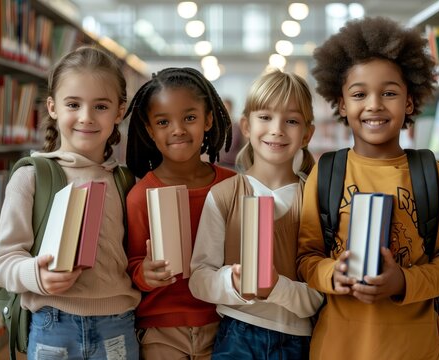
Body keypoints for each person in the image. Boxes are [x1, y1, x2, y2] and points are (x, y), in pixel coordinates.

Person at [296, 17, 439, 360]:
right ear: (342, 104)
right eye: (360, 94)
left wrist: (402, 281)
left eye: (389, 93)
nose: (374, 104)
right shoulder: (327, 173)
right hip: (337, 348)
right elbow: (305, 259)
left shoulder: (431, 175)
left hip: (416, 349)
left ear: (409, 102)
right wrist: (334, 274)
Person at [0, 46, 141, 359]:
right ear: (53, 107)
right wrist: (37, 276)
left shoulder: (126, 182)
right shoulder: (32, 176)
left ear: (120, 111)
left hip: (118, 326)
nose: (86, 117)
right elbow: (2, 264)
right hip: (53, 326)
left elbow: (135, 259)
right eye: (73, 104)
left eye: (100, 106)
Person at [189, 69, 324, 360]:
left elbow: (318, 295)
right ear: (246, 126)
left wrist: (277, 288)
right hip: (237, 333)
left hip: (296, 339)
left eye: (291, 120)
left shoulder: (315, 200)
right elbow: (199, 277)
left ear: (307, 134)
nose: (277, 129)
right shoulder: (224, 195)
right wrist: (233, 284)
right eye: (265, 117)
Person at [124, 67, 236, 360]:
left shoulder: (232, 185)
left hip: (223, 323)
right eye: (163, 121)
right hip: (161, 330)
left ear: (208, 119)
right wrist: (146, 273)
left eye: (189, 117)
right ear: (150, 130)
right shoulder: (140, 197)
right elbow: (134, 265)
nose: (177, 129)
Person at [217, 98, 245, 170]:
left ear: (231, 109)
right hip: (221, 163)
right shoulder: (219, 127)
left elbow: (230, 147)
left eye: (227, 109)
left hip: (233, 164)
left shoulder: (237, 127)